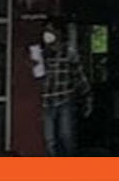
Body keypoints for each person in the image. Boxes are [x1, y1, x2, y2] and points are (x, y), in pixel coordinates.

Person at [38, 22, 91, 157]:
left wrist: (87, 96)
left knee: (66, 136)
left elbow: (79, 75)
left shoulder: (69, 52)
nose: (47, 34)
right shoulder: (43, 54)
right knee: (50, 140)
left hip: (64, 100)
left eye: (51, 30)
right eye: (46, 31)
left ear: (59, 33)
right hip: (46, 101)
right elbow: (38, 76)